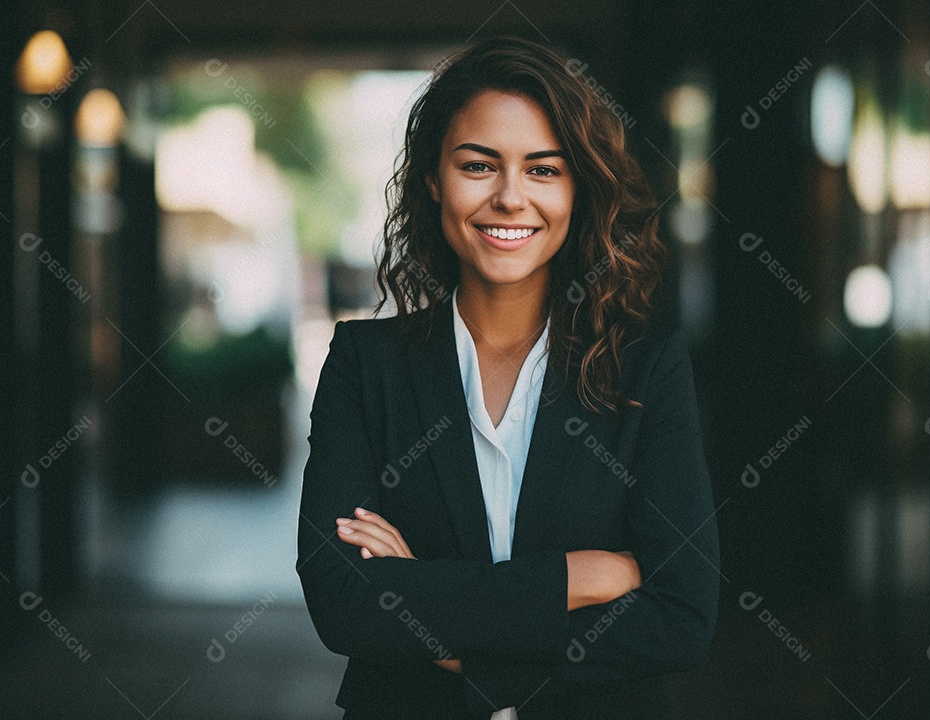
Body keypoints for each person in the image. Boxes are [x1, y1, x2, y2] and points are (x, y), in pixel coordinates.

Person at [297, 35, 719, 720]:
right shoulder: (364, 364)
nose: (509, 197)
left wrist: (430, 608)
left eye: (544, 170)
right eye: (478, 165)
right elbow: (344, 605)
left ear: (578, 188)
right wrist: (583, 577)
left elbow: (680, 617)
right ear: (435, 178)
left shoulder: (646, 366)